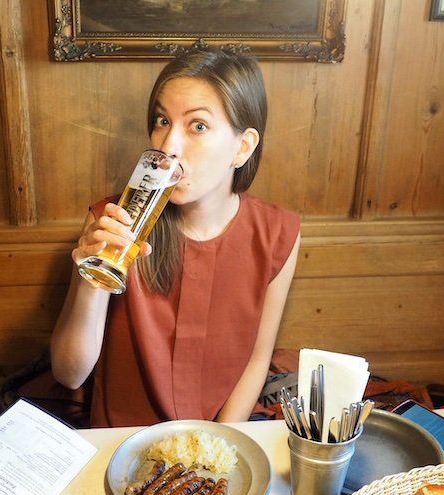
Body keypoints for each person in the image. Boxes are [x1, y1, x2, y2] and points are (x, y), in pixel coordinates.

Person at [50, 47, 301, 427]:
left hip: (218, 442)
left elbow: (256, 358)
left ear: (242, 146)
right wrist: (92, 278)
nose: (168, 146)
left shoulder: (278, 233)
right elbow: (69, 374)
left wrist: (221, 444)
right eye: (162, 121)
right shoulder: (110, 221)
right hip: (122, 442)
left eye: (197, 126)